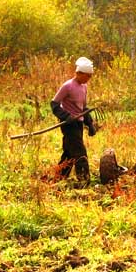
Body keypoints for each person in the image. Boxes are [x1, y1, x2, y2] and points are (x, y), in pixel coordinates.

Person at [51, 56, 97, 185]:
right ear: (79, 73)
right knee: (79, 152)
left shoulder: (84, 87)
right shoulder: (67, 86)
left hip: (79, 123)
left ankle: (59, 178)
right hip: (69, 124)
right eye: (87, 76)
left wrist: (90, 124)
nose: (89, 78)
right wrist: (66, 116)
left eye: (90, 76)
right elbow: (54, 104)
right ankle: (84, 180)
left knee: (69, 152)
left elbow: (83, 108)